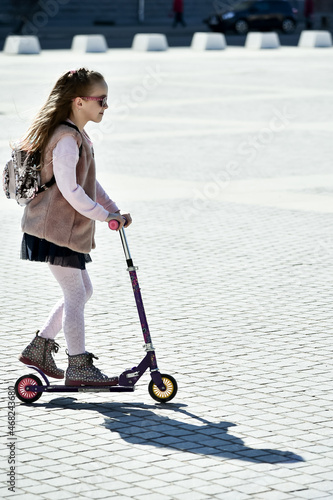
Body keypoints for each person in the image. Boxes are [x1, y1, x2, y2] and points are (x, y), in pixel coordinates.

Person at [17, 68, 132, 387]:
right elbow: (71, 190)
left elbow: (88, 182)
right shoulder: (67, 139)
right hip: (54, 230)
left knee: (82, 291)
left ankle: (40, 347)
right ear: (80, 102)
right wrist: (102, 216)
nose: (106, 106)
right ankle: (78, 365)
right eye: (102, 100)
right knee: (76, 292)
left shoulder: (76, 135)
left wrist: (113, 210)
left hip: (62, 229)